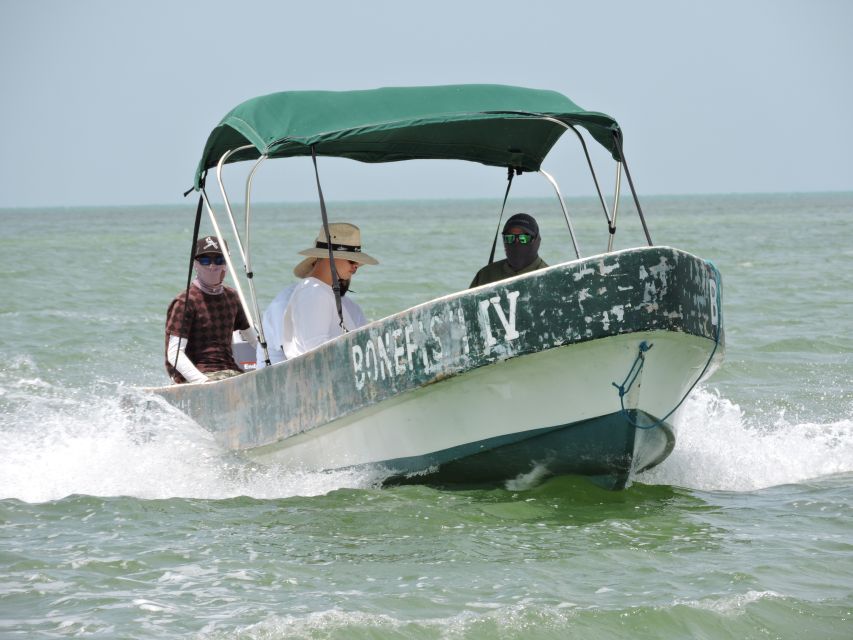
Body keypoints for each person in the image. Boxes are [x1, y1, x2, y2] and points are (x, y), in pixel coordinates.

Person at [164, 235, 256, 384]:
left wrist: (272, 361)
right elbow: (174, 354)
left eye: (219, 260)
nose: (212, 266)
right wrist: (203, 382)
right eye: (205, 261)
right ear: (195, 264)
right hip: (199, 376)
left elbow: (253, 339)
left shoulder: (232, 296)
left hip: (231, 372)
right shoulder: (185, 302)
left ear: (226, 264)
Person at [282, 222, 377, 359]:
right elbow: (317, 352)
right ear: (329, 257)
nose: (356, 266)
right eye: (351, 260)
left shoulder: (319, 291)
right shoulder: (314, 293)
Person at [469, 213, 548, 287]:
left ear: (536, 240)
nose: (516, 243)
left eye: (523, 238)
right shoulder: (485, 275)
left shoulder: (549, 278)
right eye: (510, 238)